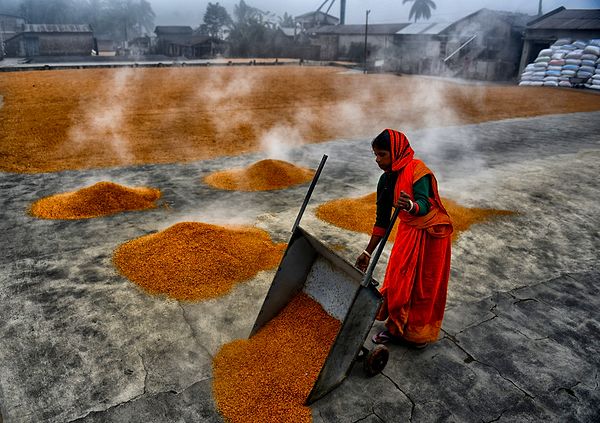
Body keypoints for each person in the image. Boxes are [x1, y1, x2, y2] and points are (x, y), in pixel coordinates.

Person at [355, 129, 453, 349]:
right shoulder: (385, 182)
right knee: (399, 281)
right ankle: (396, 327)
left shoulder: (418, 171)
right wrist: (368, 252)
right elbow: (381, 221)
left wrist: (410, 205)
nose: (377, 160)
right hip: (408, 231)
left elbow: (424, 203)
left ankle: (416, 333)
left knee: (421, 286)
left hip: (431, 235)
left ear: (396, 152)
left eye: (382, 155)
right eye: (376, 155)